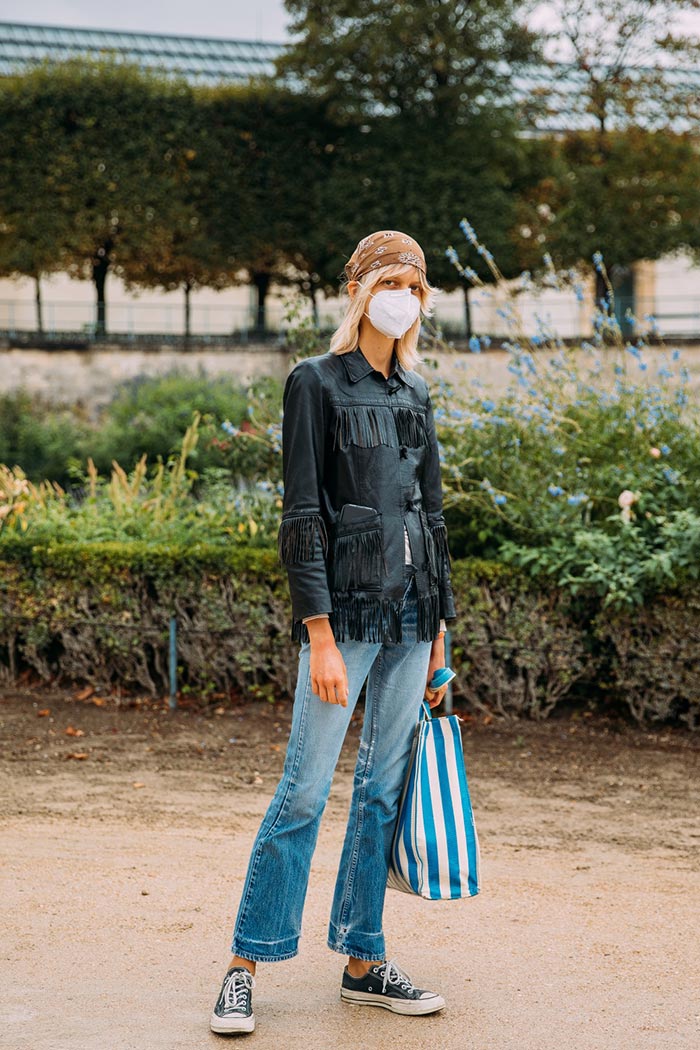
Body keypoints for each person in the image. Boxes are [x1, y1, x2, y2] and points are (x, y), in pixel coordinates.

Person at [210, 230, 458, 1035]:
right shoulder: (313, 382)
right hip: (343, 619)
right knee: (304, 790)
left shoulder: (416, 393)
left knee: (383, 792)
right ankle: (246, 963)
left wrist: (442, 635)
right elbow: (302, 515)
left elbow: (432, 515)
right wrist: (317, 632)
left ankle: (363, 958)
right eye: (390, 281)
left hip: (413, 619)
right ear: (358, 290)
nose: (403, 296)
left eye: (416, 286)